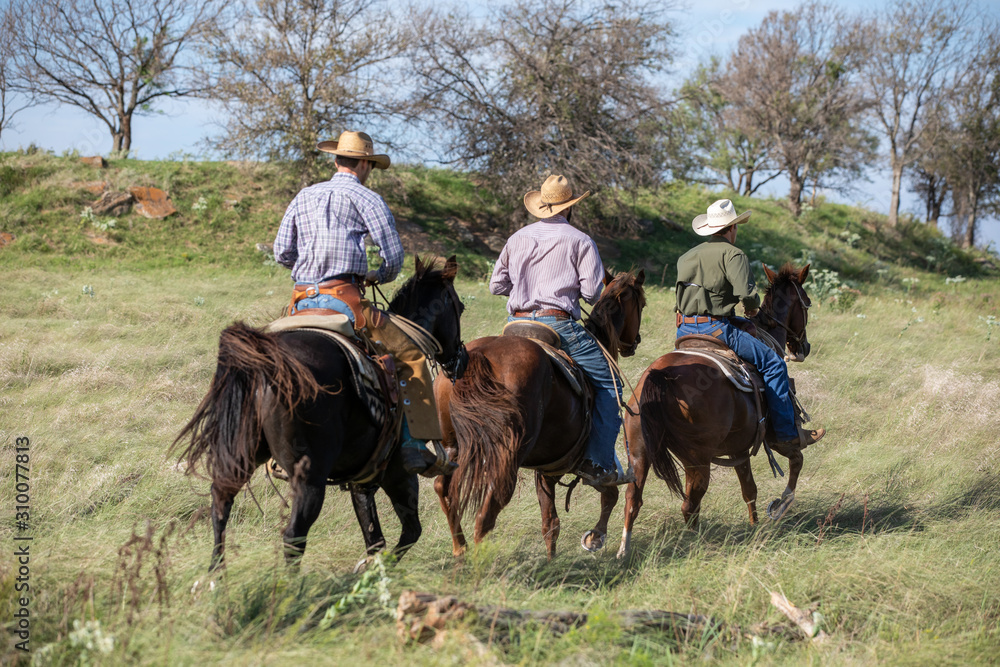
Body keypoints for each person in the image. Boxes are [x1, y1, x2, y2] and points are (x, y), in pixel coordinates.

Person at [273, 130, 453, 476]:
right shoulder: (368, 199)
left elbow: (283, 252)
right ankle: (414, 445)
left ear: (336, 159)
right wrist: (376, 275)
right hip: (346, 301)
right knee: (411, 356)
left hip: (300, 302)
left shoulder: (304, 195)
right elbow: (394, 258)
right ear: (366, 164)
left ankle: (273, 450)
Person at [489, 174, 631, 487]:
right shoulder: (580, 240)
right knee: (611, 384)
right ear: (569, 207)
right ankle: (599, 463)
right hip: (557, 324)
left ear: (542, 205)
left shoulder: (517, 238)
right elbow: (594, 294)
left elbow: (495, 284)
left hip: (515, 324)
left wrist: (526, 290)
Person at [674, 198, 825, 449]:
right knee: (774, 365)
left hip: (684, 329)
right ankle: (787, 434)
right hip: (717, 329)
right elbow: (747, 294)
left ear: (710, 229)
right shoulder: (734, 254)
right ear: (732, 228)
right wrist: (752, 307)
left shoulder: (686, 256)